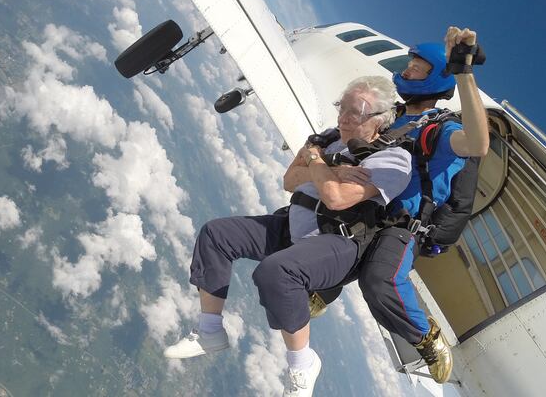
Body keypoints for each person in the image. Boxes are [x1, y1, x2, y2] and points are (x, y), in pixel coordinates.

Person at [163, 76, 413, 397]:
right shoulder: (331, 141)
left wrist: (315, 162)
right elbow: (289, 179)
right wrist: (328, 166)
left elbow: (337, 198)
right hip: (292, 226)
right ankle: (210, 330)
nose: (343, 118)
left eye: (356, 112)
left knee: (276, 273)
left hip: (338, 243)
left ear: (380, 119)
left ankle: (302, 364)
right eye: (342, 108)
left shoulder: (394, 159)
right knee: (217, 234)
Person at [337, 26, 490, 383]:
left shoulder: (443, 129)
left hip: (404, 225)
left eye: (417, 68)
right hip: (371, 208)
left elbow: (478, 143)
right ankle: (316, 288)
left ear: (435, 78)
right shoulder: (394, 115)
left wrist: (464, 74)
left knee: (379, 280)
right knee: (327, 244)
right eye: (409, 64)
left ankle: (425, 337)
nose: (407, 71)